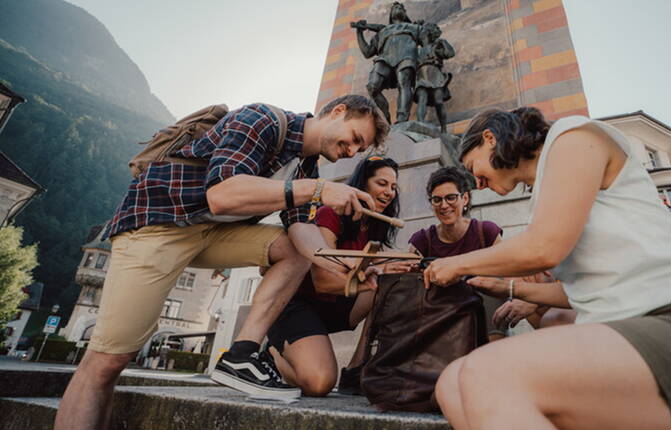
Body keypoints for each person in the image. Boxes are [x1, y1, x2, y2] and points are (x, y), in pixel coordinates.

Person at [424, 107, 671, 429]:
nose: (475, 180)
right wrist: (509, 288)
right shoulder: (547, 194)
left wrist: (455, 264)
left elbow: (544, 247)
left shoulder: (572, 136)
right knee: (452, 384)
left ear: (490, 139)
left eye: (471, 166)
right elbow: (581, 291)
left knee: (486, 373)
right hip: (645, 332)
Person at [54, 95, 389, 430]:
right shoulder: (263, 120)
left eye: (360, 149)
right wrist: (317, 190)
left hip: (212, 233)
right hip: (158, 226)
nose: (352, 151)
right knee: (107, 362)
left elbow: (302, 232)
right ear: (338, 111)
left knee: (292, 249)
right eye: (356, 138)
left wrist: (341, 263)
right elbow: (222, 195)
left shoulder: (306, 166)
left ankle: (241, 354)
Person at [264, 156, 402, 397]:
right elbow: (323, 281)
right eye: (382, 183)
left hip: (334, 307)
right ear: (362, 184)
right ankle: (270, 355)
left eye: (393, 187)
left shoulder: (373, 226)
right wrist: (366, 280)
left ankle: (356, 370)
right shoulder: (331, 214)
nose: (389, 192)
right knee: (319, 383)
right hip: (297, 305)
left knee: (391, 282)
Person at [408, 166, 506, 341]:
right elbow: (410, 286)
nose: (444, 205)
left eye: (451, 197)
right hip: (440, 312)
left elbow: (508, 270)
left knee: (493, 281)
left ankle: (493, 353)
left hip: (483, 307)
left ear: (465, 198)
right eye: (437, 200)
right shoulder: (422, 240)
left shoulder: (486, 232)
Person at [352, 2, 423, 123]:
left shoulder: (415, 28)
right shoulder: (382, 32)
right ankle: (385, 118)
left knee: (404, 83)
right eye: (395, 7)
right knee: (372, 87)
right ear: (390, 14)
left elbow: (429, 43)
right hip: (385, 60)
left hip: (406, 57)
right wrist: (359, 33)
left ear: (405, 14)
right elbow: (367, 52)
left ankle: (402, 118)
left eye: (401, 8)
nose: (398, 8)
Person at [415, 22, 454, 133]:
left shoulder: (435, 46)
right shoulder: (417, 50)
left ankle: (444, 129)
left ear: (427, 33)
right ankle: (421, 123)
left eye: (422, 31)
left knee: (438, 102)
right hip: (422, 75)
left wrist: (444, 43)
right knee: (422, 98)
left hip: (435, 75)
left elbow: (450, 54)